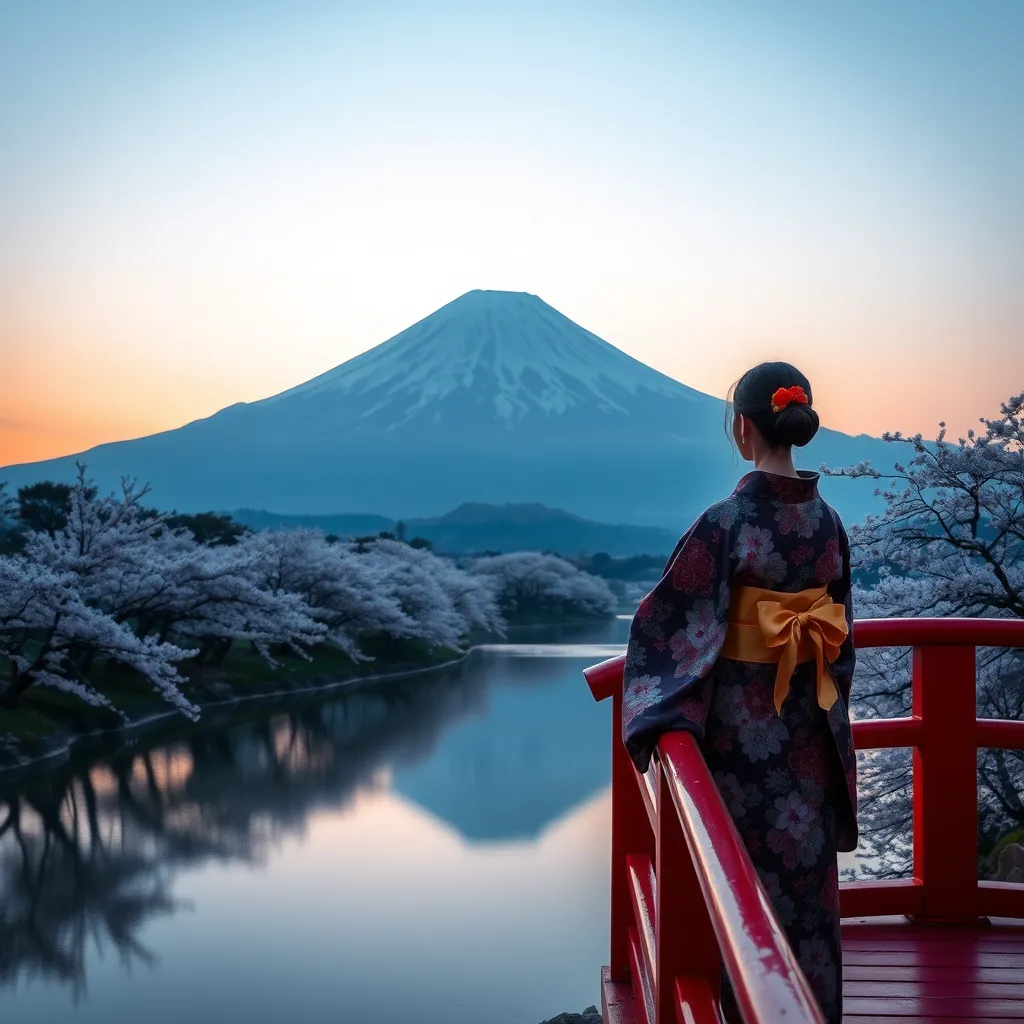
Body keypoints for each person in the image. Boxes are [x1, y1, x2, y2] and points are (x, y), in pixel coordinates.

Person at [621, 361, 857, 1024]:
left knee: (735, 887)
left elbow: (667, 626)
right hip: (808, 731)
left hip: (739, 742)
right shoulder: (828, 522)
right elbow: (839, 641)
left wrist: (661, 712)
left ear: (743, 429)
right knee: (805, 892)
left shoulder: (725, 522)